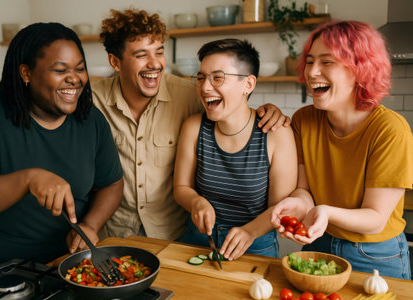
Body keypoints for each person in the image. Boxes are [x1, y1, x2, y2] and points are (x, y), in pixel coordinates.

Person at [93, 8, 291, 241]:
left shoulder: (189, 95)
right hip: (115, 233)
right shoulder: (92, 101)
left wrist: (268, 110)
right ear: (115, 62)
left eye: (159, 52)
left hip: (172, 236)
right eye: (141, 55)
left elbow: (233, 105)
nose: (155, 64)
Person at [0, 22, 124, 280]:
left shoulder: (91, 120)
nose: (74, 78)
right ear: (26, 73)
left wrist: (90, 225)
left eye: (80, 69)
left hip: (64, 266)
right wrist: (29, 179)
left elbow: (111, 183)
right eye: (60, 70)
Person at [270, 20, 412, 279]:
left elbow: (376, 217)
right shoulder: (305, 120)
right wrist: (298, 205)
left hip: (375, 254)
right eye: (310, 61)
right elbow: (304, 190)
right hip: (321, 242)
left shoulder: (390, 129)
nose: (311, 72)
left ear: (360, 69)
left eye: (327, 62)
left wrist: (324, 212)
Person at [174, 39, 297, 260]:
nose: (205, 87)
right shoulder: (194, 127)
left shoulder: (276, 133)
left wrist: (250, 231)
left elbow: (280, 207)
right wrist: (196, 202)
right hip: (199, 240)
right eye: (201, 78)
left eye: (217, 78)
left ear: (248, 84)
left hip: (255, 245)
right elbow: (181, 187)